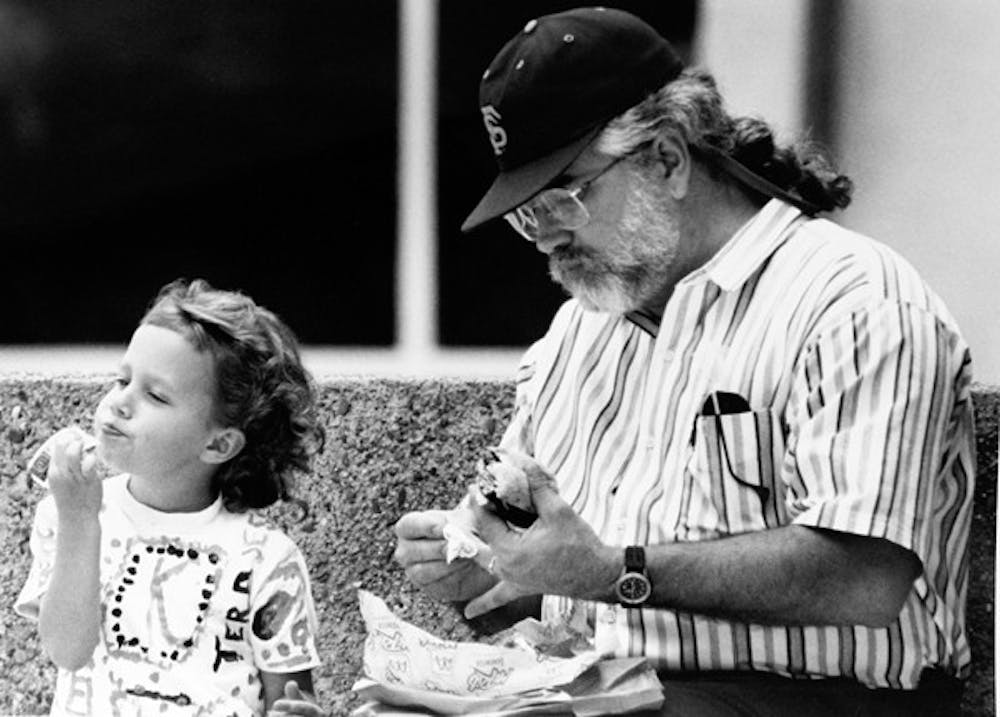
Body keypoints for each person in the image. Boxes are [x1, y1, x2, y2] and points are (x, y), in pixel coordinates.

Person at [394, 7, 974, 715]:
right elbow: (561, 583)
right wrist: (486, 578)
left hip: (820, 699)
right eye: (525, 216)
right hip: (614, 691)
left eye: (563, 199)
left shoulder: (855, 302)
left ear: (667, 158)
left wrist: (617, 572)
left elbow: (866, 576)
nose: (544, 239)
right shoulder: (577, 334)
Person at [16, 279, 328, 716]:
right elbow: (67, 650)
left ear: (219, 445)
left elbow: (294, 698)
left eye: (155, 395)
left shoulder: (266, 559)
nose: (120, 402)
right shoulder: (70, 512)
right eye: (121, 379)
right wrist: (80, 521)